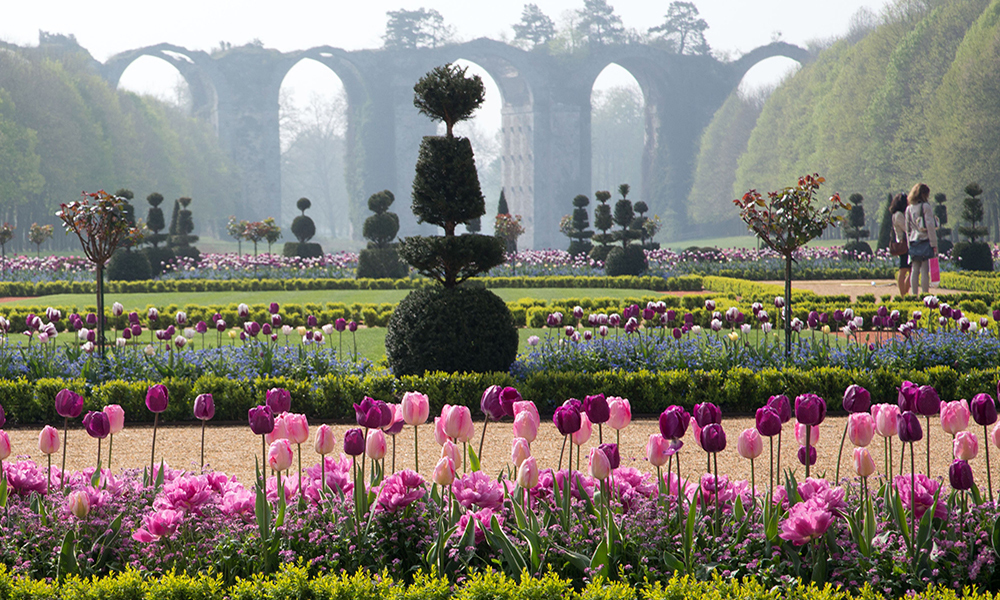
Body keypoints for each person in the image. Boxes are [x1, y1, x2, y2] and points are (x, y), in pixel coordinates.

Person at [904, 183, 937, 295]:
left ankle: (914, 294)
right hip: (924, 240)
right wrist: (934, 244)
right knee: (924, 270)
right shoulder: (925, 207)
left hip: (913, 241)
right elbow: (930, 226)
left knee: (914, 270)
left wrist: (909, 244)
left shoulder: (909, 208)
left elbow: (907, 229)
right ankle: (925, 294)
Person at [890, 193, 910, 296]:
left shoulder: (897, 214)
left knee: (909, 270)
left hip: (904, 244)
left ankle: (904, 293)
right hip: (904, 244)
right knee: (903, 270)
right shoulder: (898, 215)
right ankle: (903, 294)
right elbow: (906, 229)